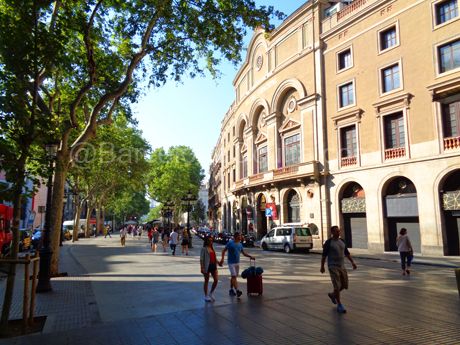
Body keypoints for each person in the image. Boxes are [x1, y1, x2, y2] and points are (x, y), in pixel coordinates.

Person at [320, 225, 357, 314]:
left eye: (339, 231)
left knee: (344, 285)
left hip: (342, 266)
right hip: (332, 266)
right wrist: (322, 266)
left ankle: (333, 295)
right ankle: (339, 305)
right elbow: (324, 256)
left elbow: (346, 253)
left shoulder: (342, 241)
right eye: (336, 231)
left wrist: (352, 262)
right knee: (337, 285)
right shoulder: (328, 243)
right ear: (332, 232)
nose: (338, 232)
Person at [219, 232, 254, 298]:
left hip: (237, 263)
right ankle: (237, 290)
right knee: (234, 276)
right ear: (236, 236)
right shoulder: (230, 243)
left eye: (240, 236)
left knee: (233, 277)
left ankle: (231, 289)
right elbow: (223, 251)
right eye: (239, 236)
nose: (240, 237)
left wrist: (250, 256)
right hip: (231, 263)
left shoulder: (240, 244)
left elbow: (243, 253)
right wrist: (222, 259)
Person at [200, 236, 220, 302]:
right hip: (207, 266)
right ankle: (206, 296)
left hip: (213, 265)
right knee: (206, 281)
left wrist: (218, 262)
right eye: (209, 240)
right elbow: (201, 259)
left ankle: (211, 293)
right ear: (206, 241)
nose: (211, 242)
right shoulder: (204, 249)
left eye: (211, 240)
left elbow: (214, 257)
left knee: (216, 280)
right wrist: (202, 267)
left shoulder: (212, 248)